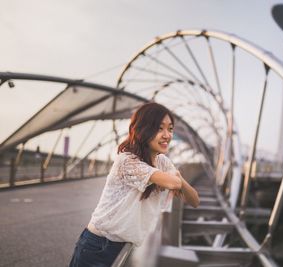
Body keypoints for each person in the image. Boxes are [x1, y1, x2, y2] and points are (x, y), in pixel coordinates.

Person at [69, 102, 200, 267]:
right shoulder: (127, 160)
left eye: (170, 129)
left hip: (125, 246)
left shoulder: (163, 162)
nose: (167, 135)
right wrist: (176, 178)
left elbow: (194, 200)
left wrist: (177, 177)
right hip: (98, 246)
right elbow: (173, 183)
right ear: (143, 129)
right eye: (160, 128)